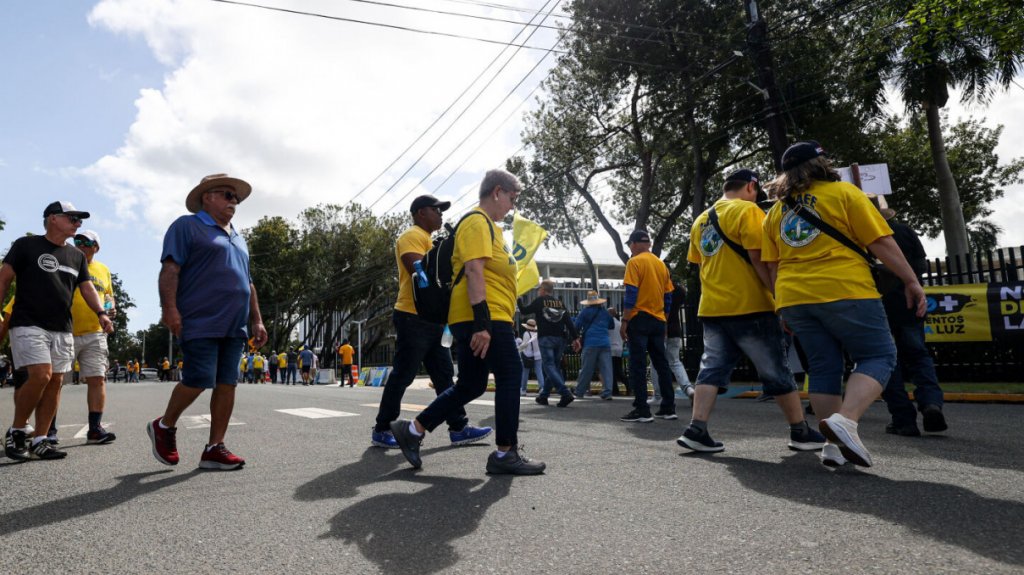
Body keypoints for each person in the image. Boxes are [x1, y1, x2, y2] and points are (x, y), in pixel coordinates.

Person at [761, 142, 926, 468]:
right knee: (879, 355)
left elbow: (771, 265)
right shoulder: (845, 194)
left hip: (795, 297)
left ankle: (833, 447)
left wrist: (781, 304)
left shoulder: (775, 213)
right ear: (822, 163)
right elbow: (881, 242)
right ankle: (846, 421)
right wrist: (911, 281)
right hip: (845, 289)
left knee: (823, 367)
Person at [390, 168, 545, 475]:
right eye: (512, 198)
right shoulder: (477, 222)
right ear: (497, 192)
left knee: (472, 384)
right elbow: (474, 270)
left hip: (482, 315)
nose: (513, 206)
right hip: (482, 316)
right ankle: (505, 454)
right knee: (511, 375)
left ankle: (413, 430)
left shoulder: (491, 228)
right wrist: (483, 324)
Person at [677, 169, 826, 454]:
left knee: (711, 369)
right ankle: (800, 430)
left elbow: (700, 265)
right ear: (751, 186)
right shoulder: (748, 211)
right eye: (756, 190)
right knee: (775, 369)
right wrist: (778, 298)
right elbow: (761, 260)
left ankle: (697, 428)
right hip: (750, 305)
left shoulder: (700, 220)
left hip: (712, 308)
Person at [147, 173, 268, 471]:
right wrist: (170, 309)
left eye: (236, 197)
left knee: (228, 384)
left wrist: (258, 320)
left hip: (235, 325)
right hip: (200, 318)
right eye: (227, 195)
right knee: (200, 378)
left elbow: (248, 283)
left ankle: (215, 447)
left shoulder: (239, 238)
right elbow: (171, 269)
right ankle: (164, 425)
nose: (234, 202)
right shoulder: (186, 226)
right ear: (207, 197)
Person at [371, 194, 491, 449]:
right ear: (420, 212)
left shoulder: (432, 240)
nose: (441, 214)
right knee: (403, 374)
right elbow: (421, 270)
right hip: (412, 315)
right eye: (437, 210)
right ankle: (382, 429)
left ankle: (458, 428)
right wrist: (445, 252)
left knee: (445, 376)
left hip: (435, 319)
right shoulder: (412, 235)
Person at [2, 201, 113, 461]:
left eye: (80, 220)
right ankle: (17, 429)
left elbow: (87, 288)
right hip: (28, 321)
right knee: (41, 375)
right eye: (72, 219)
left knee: (55, 383)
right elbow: (4, 278)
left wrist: (102, 313)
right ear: (53, 218)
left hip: (62, 327)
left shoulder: (75, 257)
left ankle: (41, 438)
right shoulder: (25, 245)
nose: (78, 224)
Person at [876, 206, 947, 436]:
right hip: (909, 305)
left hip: (879, 306)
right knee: (918, 356)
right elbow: (920, 264)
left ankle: (902, 418)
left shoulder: (862, 238)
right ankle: (931, 403)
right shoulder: (905, 232)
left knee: (887, 362)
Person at [619, 230, 675, 423]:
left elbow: (631, 294)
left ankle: (642, 409)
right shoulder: (661, 265)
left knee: (638, 365)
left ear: (634, 244)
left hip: (639, 318)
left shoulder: (634, 262)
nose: (630, 249)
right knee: (662, 364)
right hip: (658, 319)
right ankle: (668, 407)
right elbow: (668, 297)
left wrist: (625, 321)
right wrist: (664, 320)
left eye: (629, 245)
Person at [69, 229, 118, 444]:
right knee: (54, 382)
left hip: (95, 332)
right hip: (64, 330)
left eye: (85, 242)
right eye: (77, 240)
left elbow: (108, 295)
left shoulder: (103, 269)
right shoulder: (65, 262)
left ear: (96, 247)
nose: (80, 244)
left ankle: (95, 429)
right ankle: (48, 431)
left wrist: (110, 309)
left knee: (97, 379)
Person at [520, 279, 580, 407]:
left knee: (548, 366)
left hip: (546, 337)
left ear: (542, 289)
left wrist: (518, 299)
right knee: (554, 367)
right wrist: (576, 338)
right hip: (560, 339)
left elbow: (524, 311)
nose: (538, 292)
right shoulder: (560, 303)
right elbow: (569, 322)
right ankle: (544, 396)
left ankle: (565, 393)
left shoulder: (539, 301)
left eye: (539, 289)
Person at [650, 281, 695, 403]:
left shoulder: (658, 289)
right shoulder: (679, 291)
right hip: (675, 329)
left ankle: (658, 395)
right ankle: (688, 389)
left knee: (655, 362)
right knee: (675, 361)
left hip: (660, 328)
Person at [572, 291, 615, 400]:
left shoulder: (585, 312)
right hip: (605, 343)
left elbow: (576, 326)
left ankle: (580, 391)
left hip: (590, 343)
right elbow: (612, 325)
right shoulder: (605, 313)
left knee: (587, 368)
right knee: (606, 369)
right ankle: (607, 392)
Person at [517, 319, 544, 396]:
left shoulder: (526, 333)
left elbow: (524, 345)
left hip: (528, 355)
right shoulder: (538, 334)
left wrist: (518, 349)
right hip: (538, 355)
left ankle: (523, 389)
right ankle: (542, 388)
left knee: (525, 373)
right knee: (539, 371)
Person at [608, 308, 628, 396]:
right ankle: (628, 385)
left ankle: (615, 389)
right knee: (618, 370)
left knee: (612, 371)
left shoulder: (608, 324)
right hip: (619, 349)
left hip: (610, 349)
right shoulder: (620, 324)